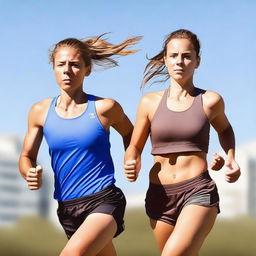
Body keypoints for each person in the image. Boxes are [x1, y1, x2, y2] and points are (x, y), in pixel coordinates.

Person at [19, 34, 141, 256]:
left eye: (75, 65)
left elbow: (132, 134)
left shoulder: (105, 108)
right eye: (61, 64)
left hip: (104, 199)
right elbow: (27, 156)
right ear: (53, 68)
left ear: (87, 69)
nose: (67, 70)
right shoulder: (39, 111)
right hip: (67, 207)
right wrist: (29, 173)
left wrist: (131, 156)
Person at [124, 29, 240, 256]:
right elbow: (135, 146)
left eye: (187, 56)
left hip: (197, 190)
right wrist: (131, 161)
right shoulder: (149, 102)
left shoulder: (210, 101)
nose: (180, 61)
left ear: (197, 61)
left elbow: (225, 129)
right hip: (160, 195)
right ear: (165, 59)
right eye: (174, 55)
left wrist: (231, 159)